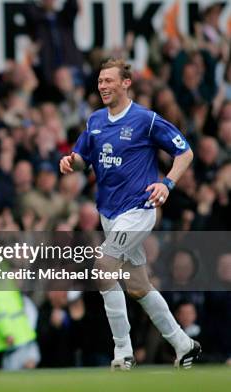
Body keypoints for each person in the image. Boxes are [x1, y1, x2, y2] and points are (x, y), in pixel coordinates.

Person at [59, 58, 200, 370]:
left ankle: (123, 351)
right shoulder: (94, 120)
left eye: (109, 81)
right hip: (109, 213)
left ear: (126, 83)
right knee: (137, 286)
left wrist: (168, 183)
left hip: (138, 209)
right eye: (100, 81)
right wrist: (71, 162)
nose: (103, 86)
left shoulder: (145, 120)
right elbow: (82, 158)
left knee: (104, 267)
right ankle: (183, 343)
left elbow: (184, 151)